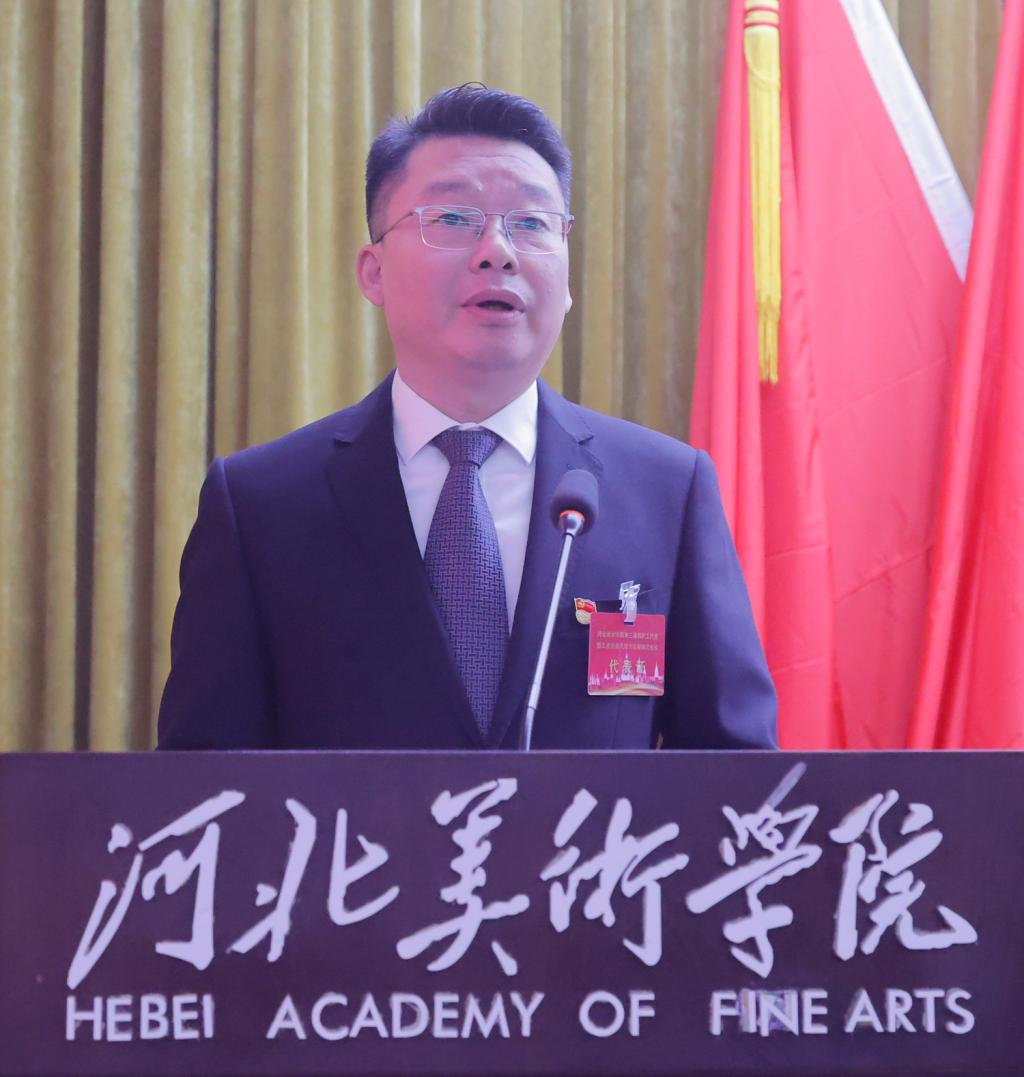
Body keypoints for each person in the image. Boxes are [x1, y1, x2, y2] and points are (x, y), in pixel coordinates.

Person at [157, 84, 776, 751]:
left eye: (532, 223)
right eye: (453, 218)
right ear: (373, 271)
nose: (497, 251)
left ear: (567, 280)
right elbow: (205, 788)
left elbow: (738, 778)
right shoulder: (260, 506)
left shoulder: (665, 492)